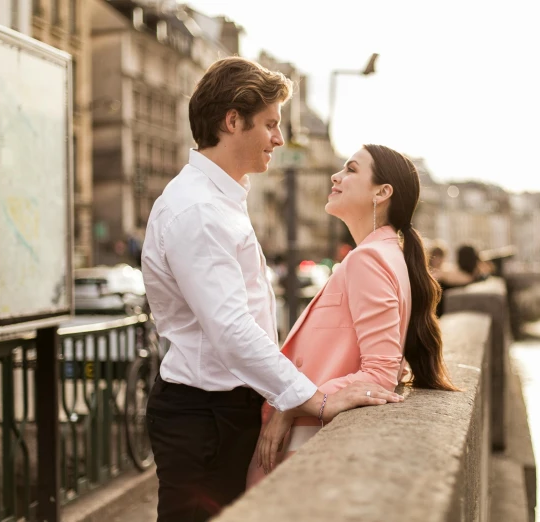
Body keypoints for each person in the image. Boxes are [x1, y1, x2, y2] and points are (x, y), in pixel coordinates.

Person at [140, 57, 402, 522]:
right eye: (270, 125)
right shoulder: (198, 210)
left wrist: (282, 397)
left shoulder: (218, 199)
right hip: (205, 417)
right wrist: (312, 398)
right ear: (232, 121)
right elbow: (230, 329)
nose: (279, 140)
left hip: (220, 410)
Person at [248, 144, 458, 485]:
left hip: (306, 449)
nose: (336, 175)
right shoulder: (385, 254)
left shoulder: (369, 259)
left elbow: (379, 373)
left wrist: (295, 405)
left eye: (351, 169)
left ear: (382, 192)